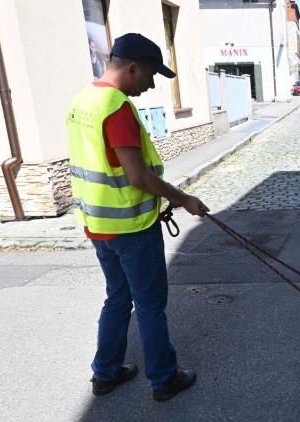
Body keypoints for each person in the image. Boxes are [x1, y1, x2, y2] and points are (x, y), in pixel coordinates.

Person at [66, 32, 210, 402]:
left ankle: (105, 373)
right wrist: (184, 199)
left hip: (98, 225)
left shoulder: (82, 100)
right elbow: (138, 176)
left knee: (117, 297)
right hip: (131, 228)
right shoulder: (117, 108)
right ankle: (163, 379)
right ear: (132, 68)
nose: (151, 84)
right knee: (149, 304)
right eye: (150, 75)